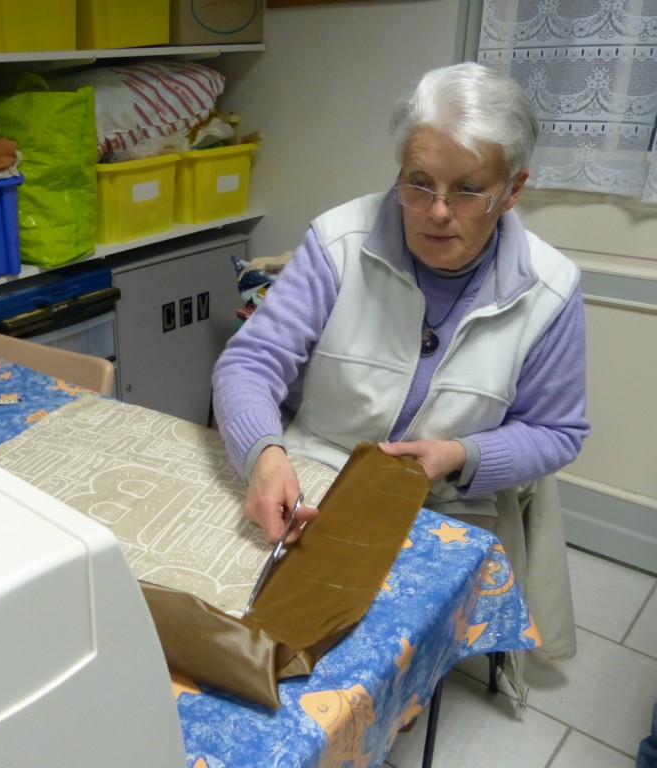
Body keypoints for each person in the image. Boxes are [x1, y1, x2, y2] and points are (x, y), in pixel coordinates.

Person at [212, 62, 590, 622]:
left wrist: (461, 455)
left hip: (448, 501)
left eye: (467, 191)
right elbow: (249, 362)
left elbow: (558, 432)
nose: (437, 212)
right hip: (318, 474)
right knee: (248, 616)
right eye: (418, 183)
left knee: (380, 646)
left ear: (512, 191)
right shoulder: (338, 241)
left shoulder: (552, 290)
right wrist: (265, 457)